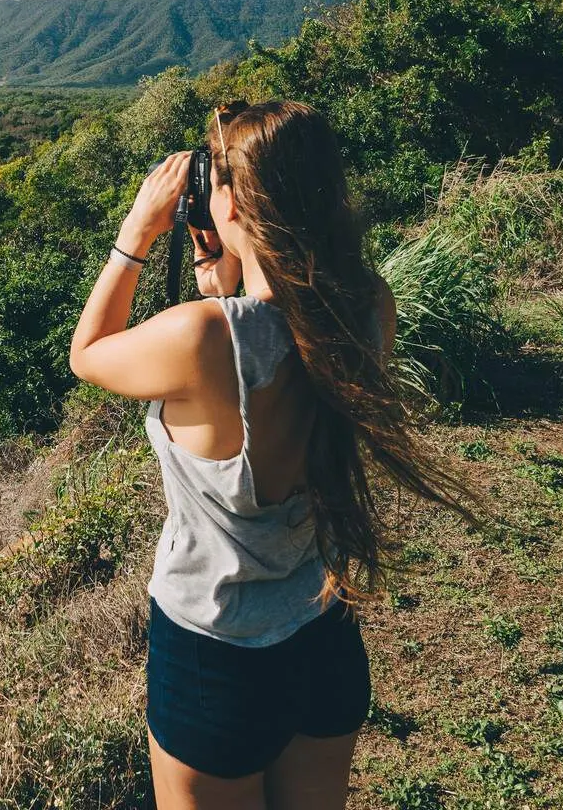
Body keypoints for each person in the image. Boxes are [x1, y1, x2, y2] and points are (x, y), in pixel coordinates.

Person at [69, 100, 475, 810]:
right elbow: (283, 338)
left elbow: (88, 354)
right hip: (324, 632)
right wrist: (223, 278)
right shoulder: (368, 306)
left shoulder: (201, 341)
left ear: (227, 201)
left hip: (214, 652)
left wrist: (137, 232)